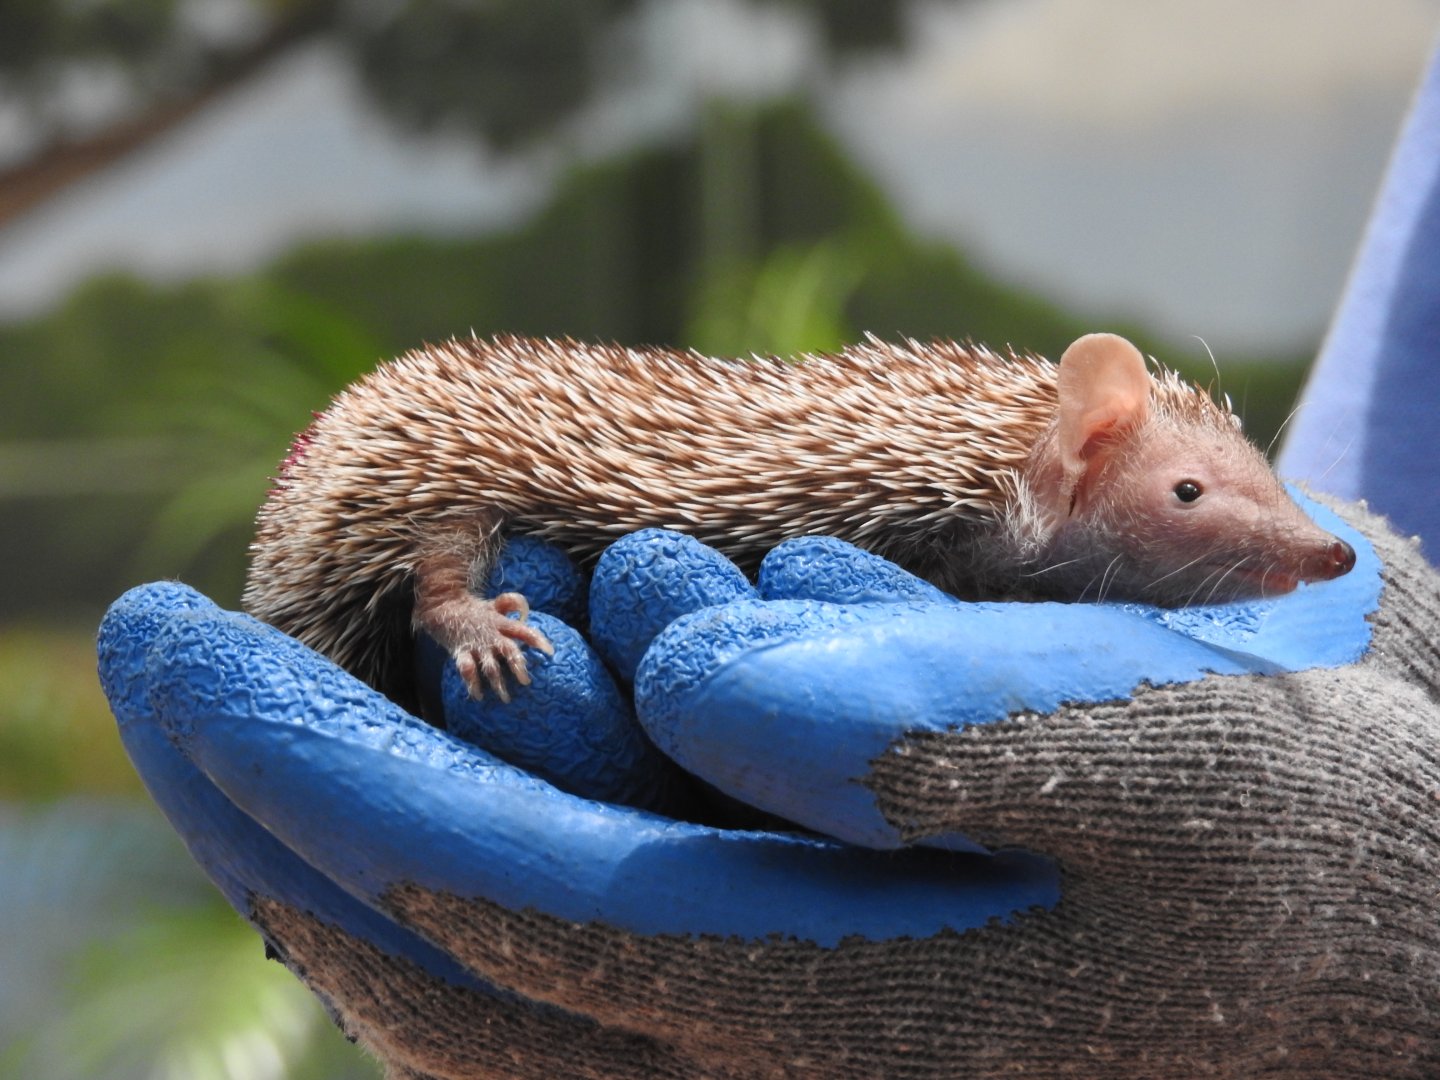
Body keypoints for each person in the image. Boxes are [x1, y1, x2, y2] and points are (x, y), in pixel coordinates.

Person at [98, 47, 1440, 1080]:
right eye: (1199, 497)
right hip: (429, 544)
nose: (1303, 549)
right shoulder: (868, 494)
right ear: (1065, 468)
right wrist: (446, 600)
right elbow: (455, 465)